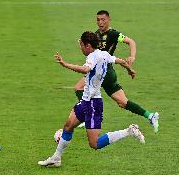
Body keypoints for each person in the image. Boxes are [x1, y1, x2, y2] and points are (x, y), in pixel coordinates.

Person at [38, 31, 145, 167]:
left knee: (94, 144)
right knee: (68, 126)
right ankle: (56, 158)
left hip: (94, 105)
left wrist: (65, 65)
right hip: (85, 101)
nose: (80, 47)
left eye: (81, 45)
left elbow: (85, 69)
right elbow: (119, 61)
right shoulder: (104, 54)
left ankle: (129, 131)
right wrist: (129, 68)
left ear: (88, 45)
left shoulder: (93, 57)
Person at [75, 10, 159, 132]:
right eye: (98, 20)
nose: (100, 22)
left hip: (103, 72)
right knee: (123, 102)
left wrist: (132, 56)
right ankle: (150, 115)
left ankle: (86, 117)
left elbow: (131, 42)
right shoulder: (96, 34)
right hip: (107, 72)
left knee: (79, 88)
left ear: (109, 20)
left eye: (103, 19)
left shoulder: (113, 34)